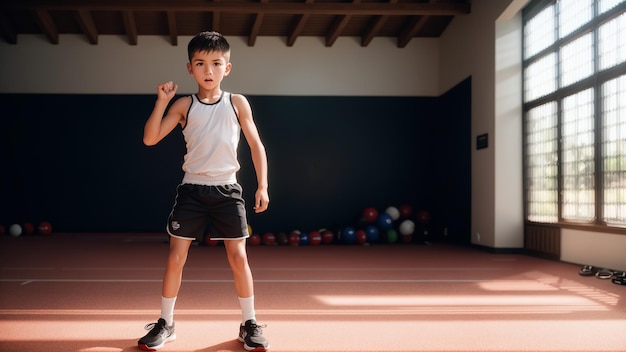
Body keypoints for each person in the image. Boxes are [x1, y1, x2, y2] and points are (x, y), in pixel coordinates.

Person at [138, 31, 270, 352]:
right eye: (200, 63)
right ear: (190, 68)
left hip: (228, 191)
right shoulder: (184, 105)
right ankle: (166, 322)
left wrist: (263, 185)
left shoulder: (237, 103)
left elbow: (256, 145)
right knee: (175, 257)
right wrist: (161, 102)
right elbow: (150, 138)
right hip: (192, 191)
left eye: (215, 63)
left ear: (227, 68)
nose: (208, 70)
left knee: (239, 258)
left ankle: (249, 322)